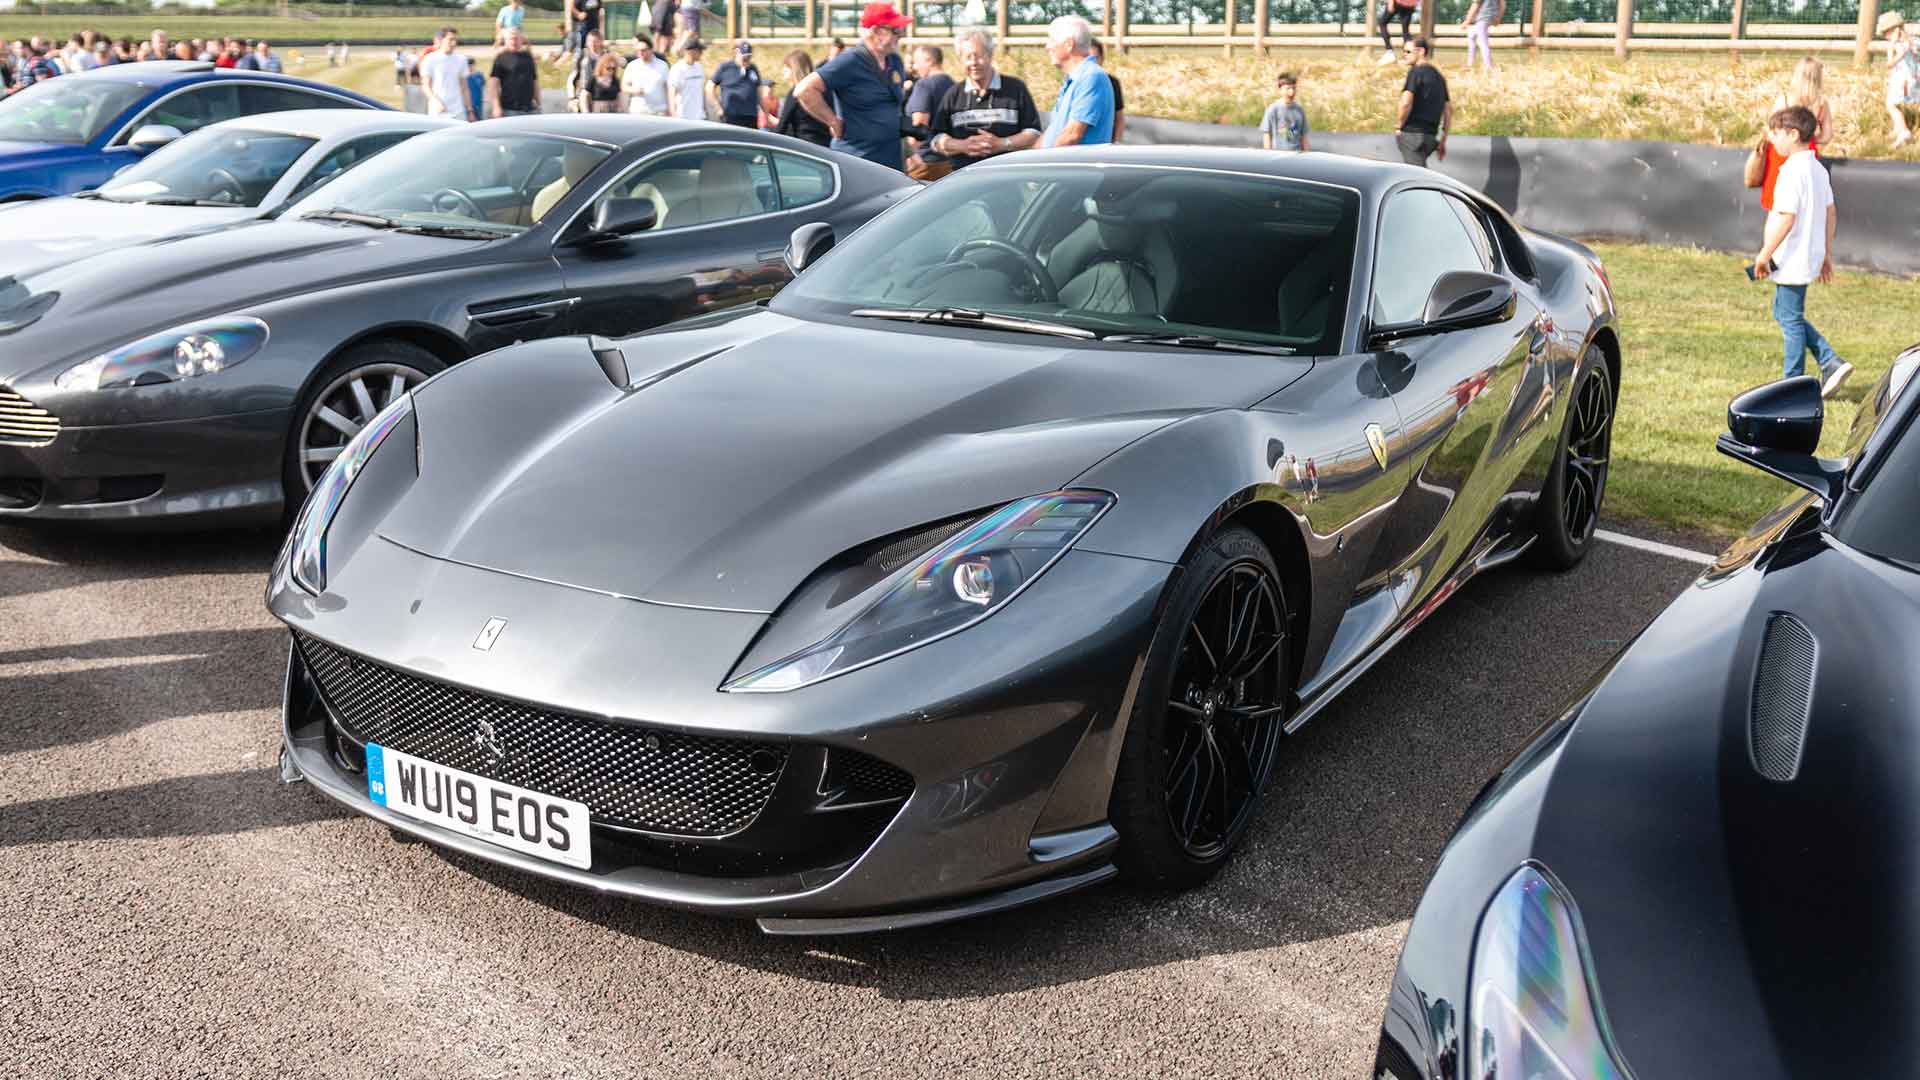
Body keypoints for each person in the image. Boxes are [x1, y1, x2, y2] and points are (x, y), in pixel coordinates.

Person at [1755, 105, 1850, 397]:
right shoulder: (1817, 169)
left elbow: (1786, 217)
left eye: (1776, 133)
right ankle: (1829, 360)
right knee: (1785, 313)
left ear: (1793, 134)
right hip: (1808, 256)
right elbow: (1830, 212)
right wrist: (1826, 253)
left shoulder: (1791, 172)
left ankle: (1792, 382)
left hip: (1789, 259)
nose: (1772, 139)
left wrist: (1764, 253)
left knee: (1790, 318)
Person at [794, 3, 912, 170]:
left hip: (891, 158)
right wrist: (833, 121)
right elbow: (804, 90)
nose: (900, 36)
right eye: (896, 31)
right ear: (877, 31)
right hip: (858, 159)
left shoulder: (894, 61)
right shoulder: (850, 61)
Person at [926, 27, 1041, 172]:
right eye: (968, 57)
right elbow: (936, 139)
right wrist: (962, 145)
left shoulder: (1015, 88)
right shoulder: (953, 94)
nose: (974, 63)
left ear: (990, 55)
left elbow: (1033, 132)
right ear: (960, 59)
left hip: (1009, 177)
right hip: (964, 179)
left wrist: (1002, 143)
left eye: (979, 56)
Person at [1760, 57, 1830, 212]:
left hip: (1782, 151)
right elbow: (1826, 136)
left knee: (1779, 199)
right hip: (1807, 150)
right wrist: (1808, 137)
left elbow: (1771, 130)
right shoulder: (1821, 104)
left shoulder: (1784, 100)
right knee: (1804, 197)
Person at [1040, 15, 1113, 148]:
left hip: (1073, 167)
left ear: (1069, 44)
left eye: (1052, 40)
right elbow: (1052, 132)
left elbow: (1071, 136)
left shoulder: (1091, 77)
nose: (1047, 46)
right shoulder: (1075, 79)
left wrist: (1040, 162)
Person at [1395, 37, 1449, 167]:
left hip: (1412, 134)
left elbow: (1406, 102)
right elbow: (1448, 110)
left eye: (1408, 52)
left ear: (1421, 51)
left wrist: (1398, 125)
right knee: (1418, 171)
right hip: (1430, 137)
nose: (1404, 55)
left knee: (1415, 174)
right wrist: (1443, 140)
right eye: (1403, 52)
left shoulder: (1415, 72)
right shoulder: (1439, 77)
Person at [903, 42, 954, 172]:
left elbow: (919, 124)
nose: (914, 67)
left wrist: (911, 154)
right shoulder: (953, 84)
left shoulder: (924, 85)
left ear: (929, 61)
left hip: (925, 161)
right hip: (948, 158)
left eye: (916, 62)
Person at [775, 50, 832, 145]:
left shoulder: (796, 93)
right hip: (825, 143)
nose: (783, 70)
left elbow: (783, 124)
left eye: (787, 67)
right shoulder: (821, 90)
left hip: (804, 145)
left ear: (794, 68)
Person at [1880, 11, 1918, 148]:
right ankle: (1898, 128)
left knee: (1891, 105)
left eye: (1886, 33)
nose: (1885, 37)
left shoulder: (1896, 45)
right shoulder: (1914, 41)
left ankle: (1903, 132)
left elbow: (1890, 64)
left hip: (1902, 82)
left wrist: (1894, 50)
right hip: (1913, 80)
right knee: (1895, 103)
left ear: (1895, 30)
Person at [420, 28, 475, 121]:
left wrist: (470, 110)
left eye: (455, 40)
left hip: (458, 111)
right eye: (450, 39)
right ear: (441, 40)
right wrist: (435, 102)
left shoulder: (461, 59)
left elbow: (464, 87)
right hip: (438, 112)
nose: (454, 43)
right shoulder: (430, 59)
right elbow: (426, 85)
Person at [709, 40, 763, 129]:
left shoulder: (753, 68)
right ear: (737, 53)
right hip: (731, 116)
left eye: (749, 57)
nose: (746, 60)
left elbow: (759, 91)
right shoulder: (725, 67)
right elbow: (709, 87)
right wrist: (718, 107)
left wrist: (766, 113)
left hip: (750, 116)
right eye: (744, 57)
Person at [490, 28, 541, 117]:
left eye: (517, 38)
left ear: (521, 40)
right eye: (511, 38)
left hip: (530, 109)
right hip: (510, 109)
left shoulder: (528, 57)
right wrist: (496, 106)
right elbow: (494, 85)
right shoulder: (500, 58)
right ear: (506, 41)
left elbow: (534, 80)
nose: (514, 41)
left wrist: (538, 100)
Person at [622, 35, 671, 115]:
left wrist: (669, 108)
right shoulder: (632, 66)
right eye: (638, 50)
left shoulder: (662, 65)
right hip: (638, 111)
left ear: (651, 49)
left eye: (643, 50)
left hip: (659, 110)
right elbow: (624, 86)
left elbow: (668, 88)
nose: (640, 53)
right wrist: (633, 90)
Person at [1261, 71, 1310, 151]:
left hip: (1297, 156)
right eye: (1288, 89)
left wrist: (1307, 155)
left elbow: (1303, 136)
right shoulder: (1273, 109)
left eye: (1293, 88)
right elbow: (1267, 134)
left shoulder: (1299, 110)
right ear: (1280, 90)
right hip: (1278, 155)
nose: (1291, 92)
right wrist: (1268, 154)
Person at [1088, 38, 1124, 142]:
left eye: (1095, 58)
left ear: (1102, 58)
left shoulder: (1112, 83)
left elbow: (1119, 118)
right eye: (1088, 59)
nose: (1092, 63)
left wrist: (1116, 143)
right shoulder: (1073, 81)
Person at [668, 38, 709, 120]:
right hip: (683, 117)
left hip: (700, 117)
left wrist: (705, 110)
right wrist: (673, 114)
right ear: (691, 51)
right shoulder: (677, 69)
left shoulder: (699, 67)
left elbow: (701, 91)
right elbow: (671, 92)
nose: (702, 53)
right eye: (700, 51)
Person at [571, 29, 610, 111]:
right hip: (583, 93)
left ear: (601, 41)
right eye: (590, 41)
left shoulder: (607, 56)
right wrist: (572, 97)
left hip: (600, 94)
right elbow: (574, 77)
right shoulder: (582, 55)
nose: (592, 44)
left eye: (595, 41)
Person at [1462, 0, 1502, 74]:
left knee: (1483, 43)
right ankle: (1470, 64)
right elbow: (1502, 4)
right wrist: (1498, 18)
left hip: (1483, 17)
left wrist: (1467, 21)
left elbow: (1475, 5)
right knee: (1472, 35)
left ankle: (1489, 66)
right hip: (1492, 16)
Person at [1377, 0, 1418, 65]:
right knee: (1406, 30)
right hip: (1411, 3)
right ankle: (1410, 56)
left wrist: (1391, 2)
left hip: (1398, 2)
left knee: (1382, 23)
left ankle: (1389, 52)